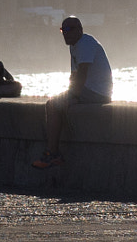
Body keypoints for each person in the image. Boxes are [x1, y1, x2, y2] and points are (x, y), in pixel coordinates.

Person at [32, 15, 112, 168]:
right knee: (57, 103)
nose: (65, 33)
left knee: (52, 105)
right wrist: (70, 94)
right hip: (91, 90)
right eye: (63, 29)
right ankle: (52, 153)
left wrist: (73, 96)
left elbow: (82, 73)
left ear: (80, 30)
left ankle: (52, 153)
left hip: (97, 91)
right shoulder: (75, 45)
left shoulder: (86, 43)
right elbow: (74, 76)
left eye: (69, 29)